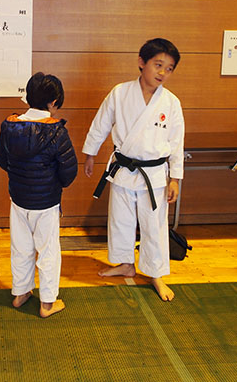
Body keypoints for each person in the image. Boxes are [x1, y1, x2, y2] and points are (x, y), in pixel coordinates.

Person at [83, 38, 184, 301]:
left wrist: (175, 178)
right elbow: (101, 124)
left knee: (154, 226)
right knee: (121, 221)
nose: (162, 73)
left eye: (169, 68)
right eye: (158, 65)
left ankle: (155, 273)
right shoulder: (120, 93)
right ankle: (126, 264)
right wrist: (91, 153)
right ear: (142, 62)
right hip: (124, 170)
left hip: (154, 175)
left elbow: (177, 142)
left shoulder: (171, 103)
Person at [0, 72, 78, 318]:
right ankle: (47, 303)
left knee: (21, 247)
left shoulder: (9, 126)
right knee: (48, 250)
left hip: (19, 199)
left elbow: (2, 160)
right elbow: (69, 171)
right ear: (53, 102)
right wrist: (56, 184)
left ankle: (21, 293)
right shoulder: (57, 132)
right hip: (46, 202)